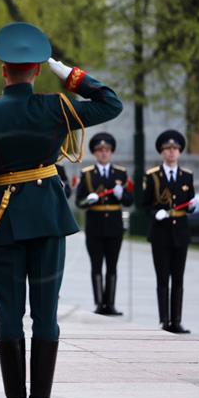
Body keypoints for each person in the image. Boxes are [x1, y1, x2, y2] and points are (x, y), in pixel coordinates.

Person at [0, 22, 123, 398]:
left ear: (4, 71)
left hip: (4, 222)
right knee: (46, 314)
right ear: (36, 70)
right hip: (50, 221)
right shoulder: (57, 107)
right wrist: (66, 72)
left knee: (10, 314)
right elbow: (110, 103)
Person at [143, 130, 195, 334]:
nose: (171, 152)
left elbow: (189, 203)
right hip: (161, 233)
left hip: (181, 233)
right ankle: (164, 320)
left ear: (180, 152)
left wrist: (193, 206)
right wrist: (156, 213)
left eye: (175, 149)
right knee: (163, 277)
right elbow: (145, 204)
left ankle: (177, 320)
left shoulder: (187, 176)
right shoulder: (153, 175)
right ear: (162, 152)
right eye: (168, 149)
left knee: (178, 278)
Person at [75, 133, 133, 315]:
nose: (104, 153)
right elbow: (79, 202)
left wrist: (120, 195)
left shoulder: (120, 174)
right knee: (97, 265)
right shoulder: (87, 174)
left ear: (111, 152)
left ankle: (111, 304)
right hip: (95, 225)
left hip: (114, 226)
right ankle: (100, 303)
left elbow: (129, 201)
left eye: (107, 150)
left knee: (113, 265)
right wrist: (88, 200)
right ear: (94, 153)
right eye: (100, 151)